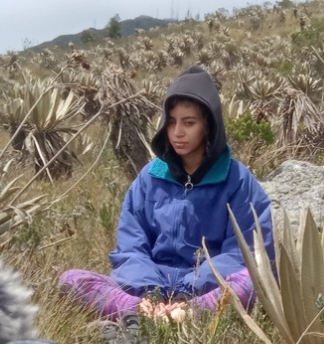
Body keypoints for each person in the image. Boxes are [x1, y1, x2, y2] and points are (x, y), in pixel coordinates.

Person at [59, 65, 275, 325]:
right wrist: (149, 292)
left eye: (189, 123)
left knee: (254, 281)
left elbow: (244, 253)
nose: (177, 133)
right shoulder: (151, 176)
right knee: (70, 280)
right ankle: (143, 312)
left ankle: (189, 314)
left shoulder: (238, 180)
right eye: (171, 122)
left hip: (207, 289)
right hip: (149, 289)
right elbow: (131, 246)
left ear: (209, 126)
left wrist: (190, 291)